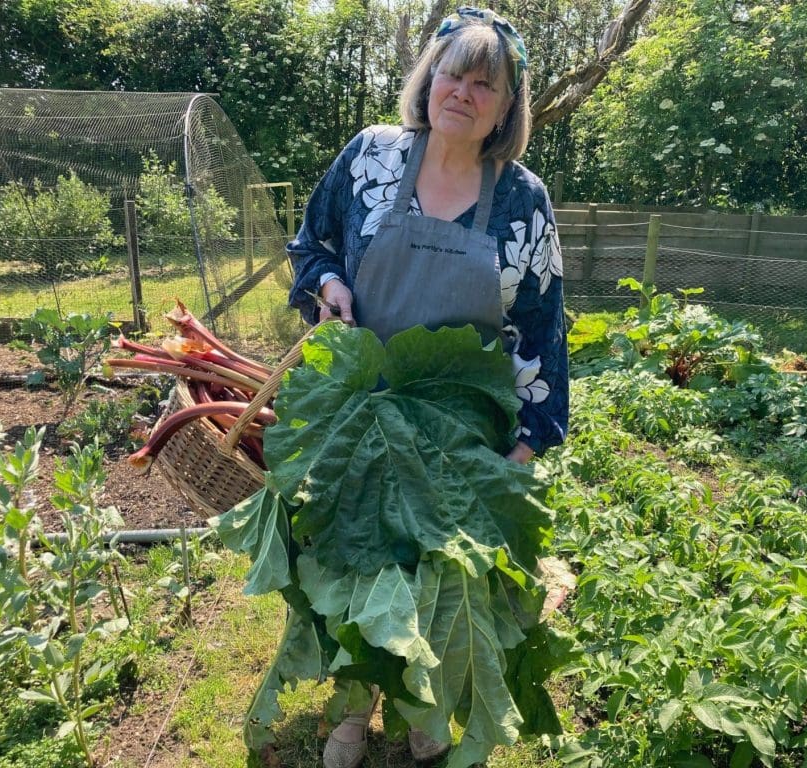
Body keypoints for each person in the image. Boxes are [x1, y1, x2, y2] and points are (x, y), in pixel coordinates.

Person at [286, 7, 569, 766]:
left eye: (487, 83)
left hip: (459, 432)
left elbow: (542, 328)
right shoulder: (371, 158)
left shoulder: (522, 201)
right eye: (453, 74)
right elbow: (311, 243)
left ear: (507, 106)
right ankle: (351, 707)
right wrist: (330, 285)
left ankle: (421, 707)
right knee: (351, 570)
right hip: (361, 419)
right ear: (429, 79)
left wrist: (528, 442)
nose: (465, 93)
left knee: (441, 587)